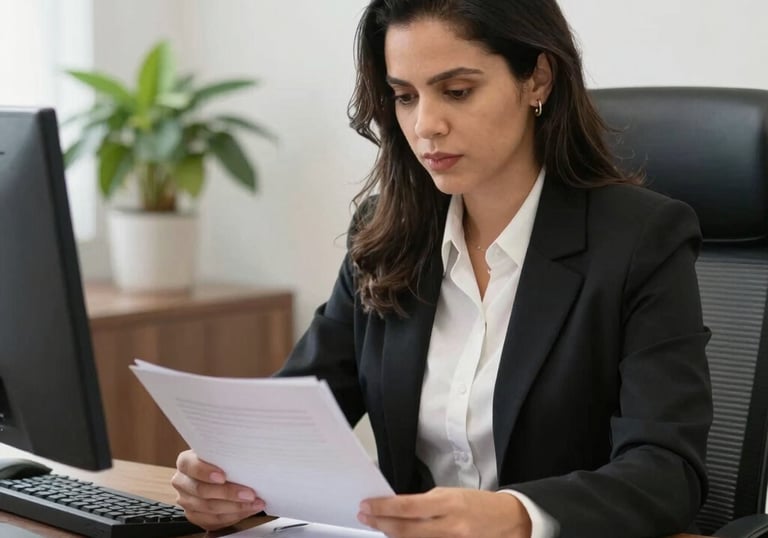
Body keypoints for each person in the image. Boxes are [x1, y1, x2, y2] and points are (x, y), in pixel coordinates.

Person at [171, 1, 713, 537]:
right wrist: (227, 480)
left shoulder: (642, 241)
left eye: (457, 91)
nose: (426, 125)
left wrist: (515, 515)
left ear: (537, 81)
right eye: (405, 97)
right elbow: (292, 421)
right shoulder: (384, 233)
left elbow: (666, 472)